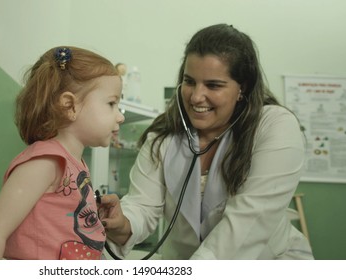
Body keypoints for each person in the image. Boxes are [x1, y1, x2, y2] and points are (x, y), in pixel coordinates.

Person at [98, 24, 314, 260]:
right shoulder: (163, 136)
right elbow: (143, 205)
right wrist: (123, 223)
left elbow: (250, 221)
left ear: (243, 87)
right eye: (189, 81)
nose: (196, 96)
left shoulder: (274, 126)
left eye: (213, 85)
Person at [0, 46, 125, 259]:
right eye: (111, 104)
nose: (120, 117)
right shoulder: (45, 163)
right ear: (70, 106)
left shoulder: (75, 164)